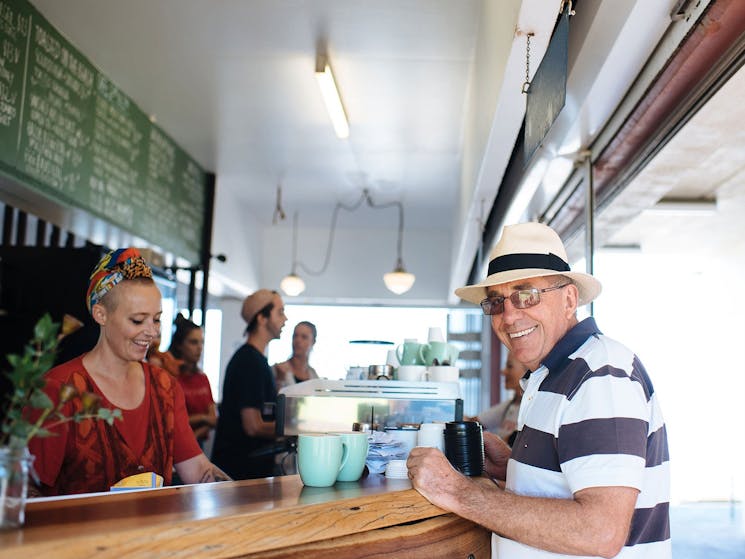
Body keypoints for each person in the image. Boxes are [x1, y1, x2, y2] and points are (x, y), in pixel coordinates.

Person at [406, 222, 670, 558]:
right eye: (496, 302)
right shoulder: (550, 374)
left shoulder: (601, 373)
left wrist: (456, 491)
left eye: (526, 295)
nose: (510, 316)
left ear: (569, 299)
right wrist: (513, 467)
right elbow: (570, 481)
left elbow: (600, 532)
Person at [28, 248, 230, 495]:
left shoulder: (165, 387)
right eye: (137, 320)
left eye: (156, 319)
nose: (152, 332)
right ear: (100, 314)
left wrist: (242, 498)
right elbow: (29, 489)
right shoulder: (59, 388)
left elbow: (197, 469)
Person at [211, 289, 287, 479]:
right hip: (239, 474)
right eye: (280, 312)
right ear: (262, 318)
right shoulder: (249, 362)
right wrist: (294, 429)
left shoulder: (257, 360)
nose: (285, 318)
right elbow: (253, 426)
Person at [168, 314, 217, 446]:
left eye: (201, 342)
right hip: (174, 443)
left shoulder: (202, 378)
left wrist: (192, 439)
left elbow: (213, 419)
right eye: (193, 342)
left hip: (196, 443)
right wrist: (203, 418)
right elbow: (171, 420)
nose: (199, 347)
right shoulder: (170, 377)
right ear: (179, 345)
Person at [471, 349, 524, 446]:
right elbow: (474, 422)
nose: (503, 371)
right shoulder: (510, 405)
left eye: (509, 366)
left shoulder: (531, 408)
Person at [272, 321, 319, 391]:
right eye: (295, 336)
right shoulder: (277, 369)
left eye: (304, 337)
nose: (298, 340)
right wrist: (279, 381)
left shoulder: (314, 376)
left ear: (313, 342)